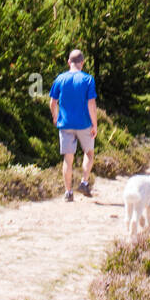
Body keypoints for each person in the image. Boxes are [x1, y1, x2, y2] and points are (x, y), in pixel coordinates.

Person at [49, 49, 98, 202]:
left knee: (67, 159)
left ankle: (68, 192)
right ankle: (84, 182)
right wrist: (95, 124)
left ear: (69, 62)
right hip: (84, 123)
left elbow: (52, 102)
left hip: (65, 124)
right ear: (82, 63)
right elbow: (91, 104)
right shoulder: (88, 79)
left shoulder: (60, 78)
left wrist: (55, 117)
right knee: (89, 154)